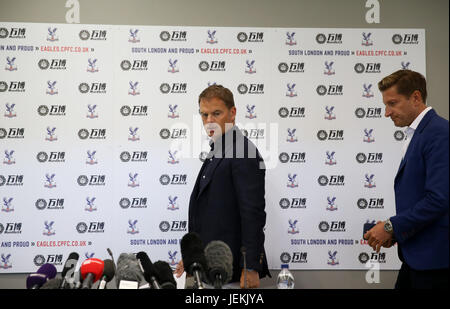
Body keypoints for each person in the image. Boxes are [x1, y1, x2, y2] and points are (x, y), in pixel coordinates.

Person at [174, 84, 270, 288]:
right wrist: (193, 257)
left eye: (216, 113)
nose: (209, 121)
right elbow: (209, 214)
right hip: (212, 269)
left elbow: (253, 214)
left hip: (233, 273)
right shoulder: (219, 148)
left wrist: (251, 266)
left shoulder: (242, 151)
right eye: (204, 115)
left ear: (232, 113)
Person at [364, 69, 449, 288]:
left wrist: (391, 227)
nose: (387, 112)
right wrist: (396, 232)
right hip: (418, 257)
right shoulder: (420, 133)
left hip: (435, 262)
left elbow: (438, 199)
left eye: (392, 103)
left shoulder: (439, 133)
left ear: (416, 98)